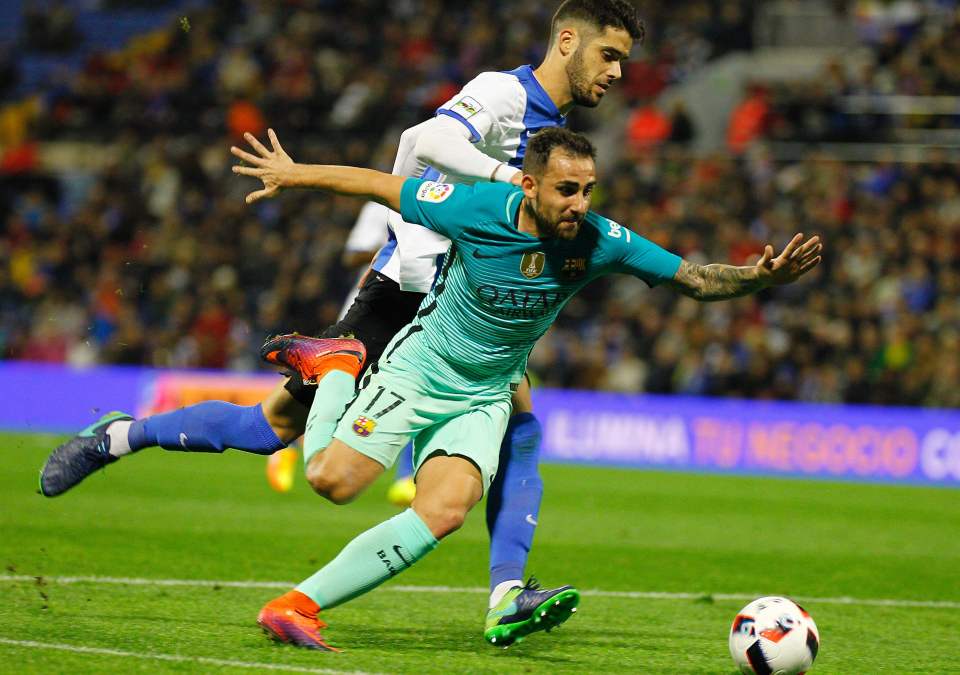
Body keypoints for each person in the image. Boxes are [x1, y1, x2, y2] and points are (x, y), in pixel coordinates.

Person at [41, 127, 822, 652]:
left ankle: (297, 604)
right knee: (326, 478)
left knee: (444, 509)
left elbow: (690, 276)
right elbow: (385, 184)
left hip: (484, 390)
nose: (579, 205)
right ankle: (337, 365)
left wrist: (761, 277)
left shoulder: (600, 239)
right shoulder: (481, 206)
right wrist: (294, 174)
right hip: (419, 366)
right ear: (528, 184)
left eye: (587, 189)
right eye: (565, 192)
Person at [41, 0, 648, 645]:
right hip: (405, 292)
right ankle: (119, 437)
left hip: (467, 309)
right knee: (273, 427)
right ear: (566, 39)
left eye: (622, 61)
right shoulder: (506, 93)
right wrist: (509, 183)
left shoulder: (558, 133)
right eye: (608, 55)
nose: (615, 72)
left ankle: (506, 593)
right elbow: (430, 140)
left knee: (518, 427)